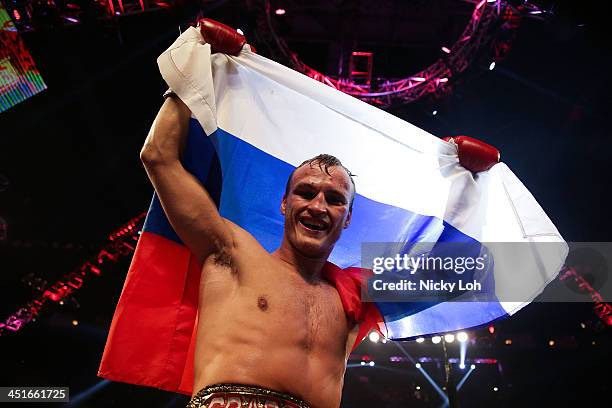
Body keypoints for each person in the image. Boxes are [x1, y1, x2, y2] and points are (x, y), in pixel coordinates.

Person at [138, 19, 499, 408]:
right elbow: (158, 157)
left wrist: (464, 185)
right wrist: (191, 79)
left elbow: (460, 273)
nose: (317, 206)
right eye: (306, 193)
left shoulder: (355, 296)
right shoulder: (231, 252)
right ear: (284, 203)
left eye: (334, 199)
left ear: (347, 218)